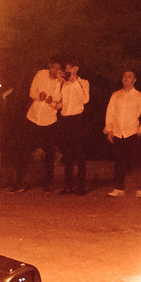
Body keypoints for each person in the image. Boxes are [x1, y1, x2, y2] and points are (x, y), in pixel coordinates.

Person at [103, 69, 141, 196]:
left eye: (129, 77)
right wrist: (109, 130)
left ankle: (140, 189)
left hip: (133, 132)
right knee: (119, 162)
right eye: (124, 76)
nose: (126, 79)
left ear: (134, 80)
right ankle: (119, 189)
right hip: (119, 132)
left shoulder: (140, 96)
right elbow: (110, 113)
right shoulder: (116, 95)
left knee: (136, 162)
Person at [20, 62, 64, 190]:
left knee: (50, 152)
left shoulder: (60, 82)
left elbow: (57, 100)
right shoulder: (40, 74)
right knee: (23, 148)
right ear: (50, 66)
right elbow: (32, 92)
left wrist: (58, 83)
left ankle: (48, 183)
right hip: (33, 116)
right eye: (54, 67)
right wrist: (39, 96)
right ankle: (20, 181)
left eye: (58, 68)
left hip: (49, 119)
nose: (55, 70)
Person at [54, 63, 92, 194]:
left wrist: (74, 82)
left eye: (69, 68)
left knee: (79, 153)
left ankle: (81, 186)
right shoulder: (63, 83)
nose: (66, 71)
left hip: (77, 119)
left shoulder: (83, 82)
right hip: (65, 119)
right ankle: (68, 185)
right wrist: (58, 83)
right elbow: (57, 99)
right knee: (67, 154)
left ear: (76, 68)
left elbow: (85, 99)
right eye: (65, 69)